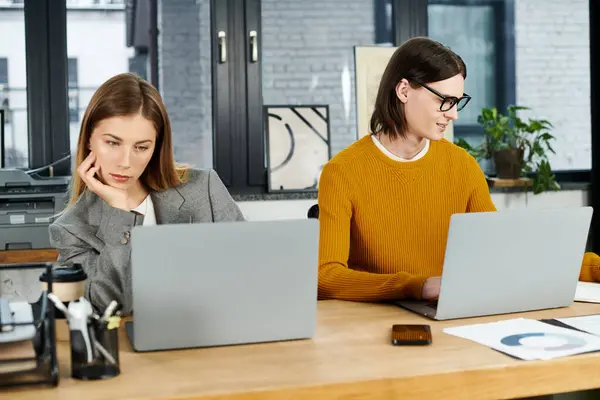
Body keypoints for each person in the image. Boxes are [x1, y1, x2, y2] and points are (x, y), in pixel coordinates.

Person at [317, 36, 599, 302]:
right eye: (445, 101)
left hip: (454, 311)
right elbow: (326, 276)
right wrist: (415, 286)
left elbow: (502, 249)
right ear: (404, 90)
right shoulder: (342, 172)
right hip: (380, 319)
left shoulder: (461, 165)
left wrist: (593, 268)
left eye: (457, 102)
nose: (453, 114)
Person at [49, 73, 245, 315]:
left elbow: (248, 267)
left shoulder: (203, 187)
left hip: (214, 331)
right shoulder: (71, 229)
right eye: (112, 143)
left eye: (141, 147)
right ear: (89, 140)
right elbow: (112, 305)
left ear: (156, 147)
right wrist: (119, 213)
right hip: (134, 347)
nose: (125, 162)